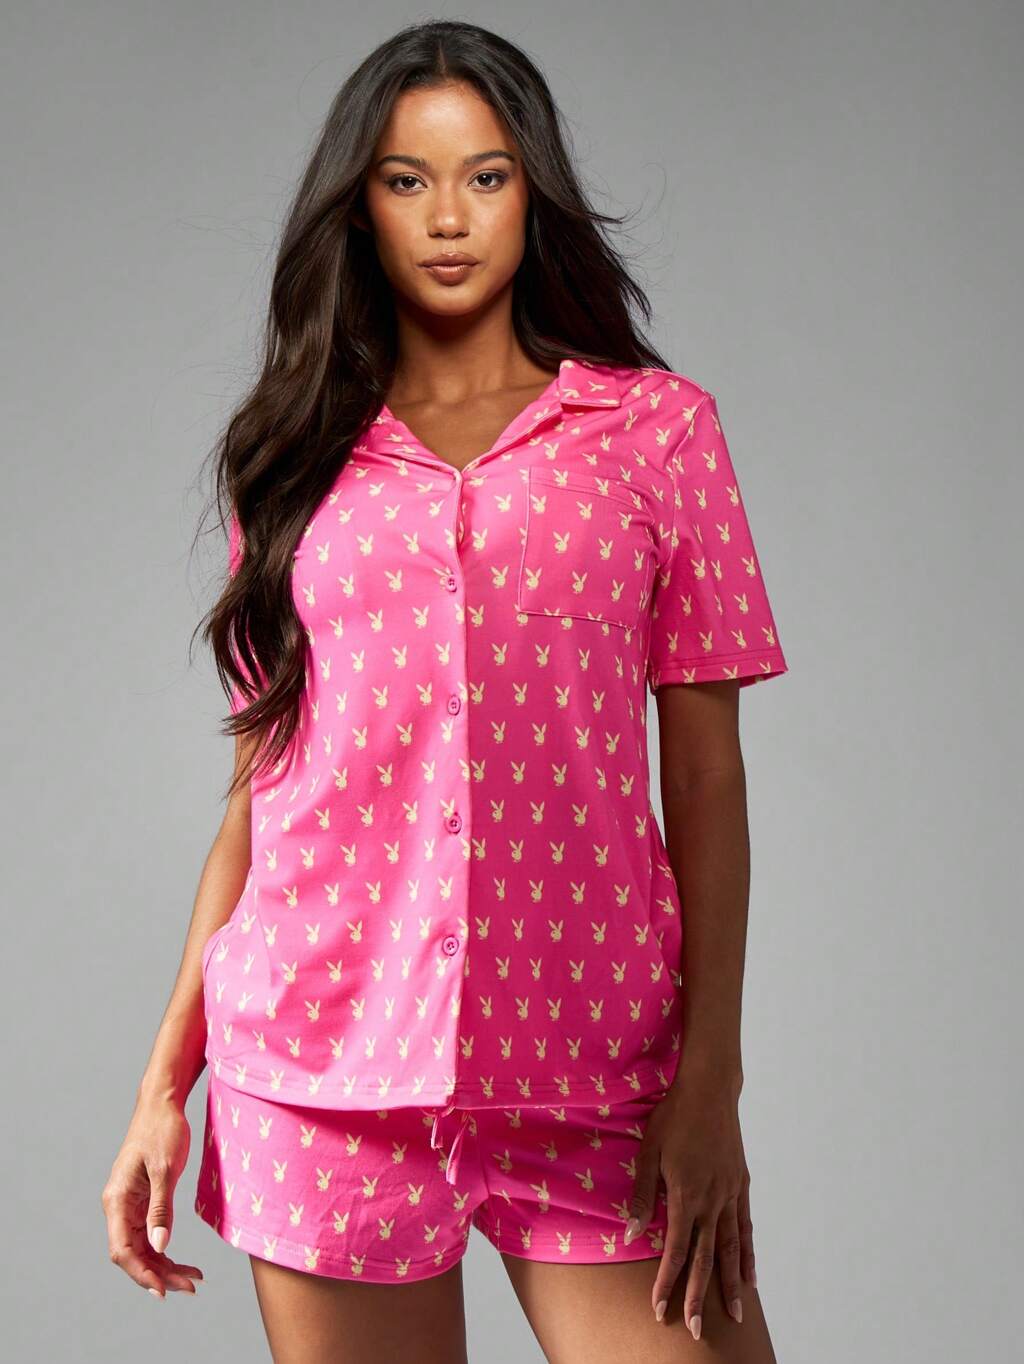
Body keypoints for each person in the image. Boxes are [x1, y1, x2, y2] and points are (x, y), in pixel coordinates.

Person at [102, 19, 788, 1363]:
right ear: (359, 207)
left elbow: (707, 774)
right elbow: (258, 797)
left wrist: (712, 1078)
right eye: (406, 180)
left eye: (486, 176)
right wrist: (161, 1087)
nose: (449, 217)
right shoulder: (293, 460)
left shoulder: (657, 435)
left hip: (598, 1073)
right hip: (322, 1074)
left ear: (534, 192)